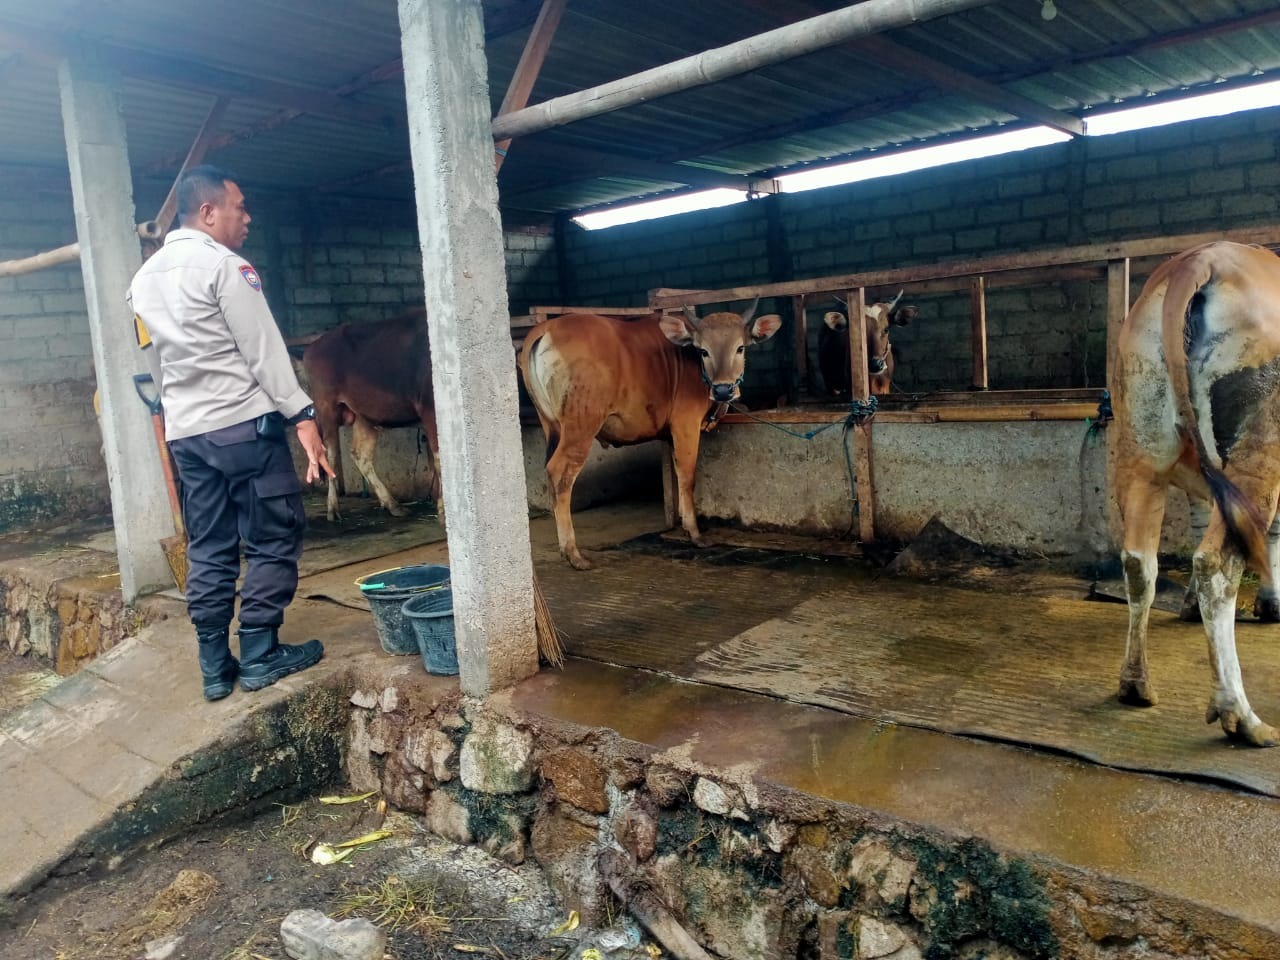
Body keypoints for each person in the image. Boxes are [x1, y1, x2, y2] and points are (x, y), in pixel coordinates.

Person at [128, 165, 335, 701]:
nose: (247, 218)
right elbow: (262, 350)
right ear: (208, 211)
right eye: (239, 207)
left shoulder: (142, 280)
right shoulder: (226, 267)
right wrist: (303, 417)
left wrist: (179, 412)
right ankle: (261, 650)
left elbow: (154, 361)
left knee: (209, 543)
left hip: (187, 436)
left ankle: (215, 665)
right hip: (243, 429)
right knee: (273, 532)